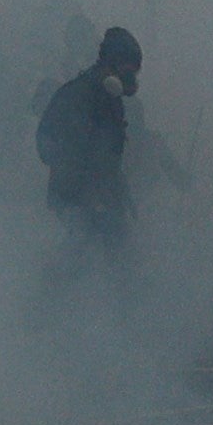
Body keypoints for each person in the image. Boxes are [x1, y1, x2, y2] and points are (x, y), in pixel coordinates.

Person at [34, 25, 142, 256]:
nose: (131, 75)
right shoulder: (80, 94)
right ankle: (47, 287)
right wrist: (84, 188)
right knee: (82, 245)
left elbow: (109, 156)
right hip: (73, 194)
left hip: (99, 195)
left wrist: (121, 191)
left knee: (117, 248)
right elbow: (53, 144)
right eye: (127, 67)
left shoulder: (110, 99)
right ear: (112, 63)